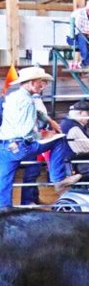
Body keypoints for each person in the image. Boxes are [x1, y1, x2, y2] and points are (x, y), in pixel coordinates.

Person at [0, 67, 83, 207]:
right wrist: (43, 135)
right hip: (22, 145)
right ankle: (59, 178)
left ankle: (4, 212)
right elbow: (26, 132)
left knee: (4, 180)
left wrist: (49, 121)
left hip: (6, 145)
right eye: (41, 82)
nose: (43, 86)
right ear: (32, 83)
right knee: (58, 140)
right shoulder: (28, 102)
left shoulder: (13, 96)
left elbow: (36, 113)